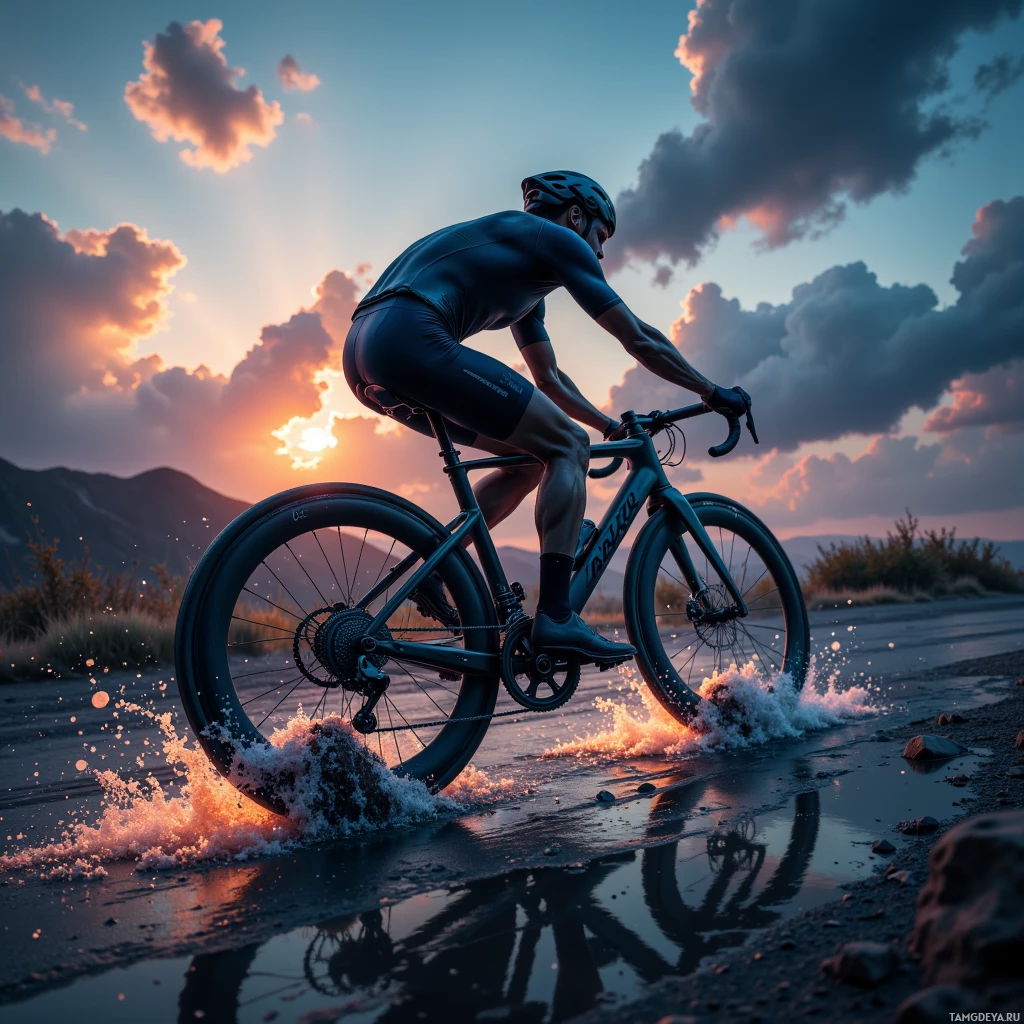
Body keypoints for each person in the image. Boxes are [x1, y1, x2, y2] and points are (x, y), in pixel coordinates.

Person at [343, 171, 750, 665]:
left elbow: (550, 379)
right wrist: (711, 392)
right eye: (600, 237)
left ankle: (435, 570)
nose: (598, 254)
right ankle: (557, 617)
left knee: (532, 460)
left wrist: (606, 428)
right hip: (413, 334)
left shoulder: (520, 267)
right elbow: (637, 337)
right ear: (576, 215)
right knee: (566, 446)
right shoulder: (554, 239)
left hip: (365, 349)